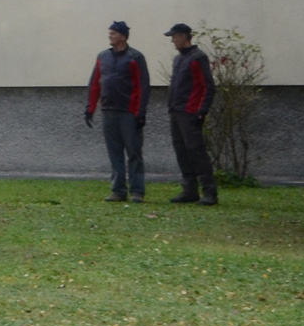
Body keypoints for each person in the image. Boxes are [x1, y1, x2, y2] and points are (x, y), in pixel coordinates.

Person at [83, 19, 150, 201]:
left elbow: (142, 86)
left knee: (134, 152)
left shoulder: (135, 57)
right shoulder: (102, 56)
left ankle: (137, 191)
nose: (109, 36)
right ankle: (118, 190)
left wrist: (140, 112)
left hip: (129, 112)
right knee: (115, 153)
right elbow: (95, 83)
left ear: (123, 37)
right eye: (110, 33)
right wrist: (90, 108)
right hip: (108, 111)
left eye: (113, 33)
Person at [164, 23, 218, 205]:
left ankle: (209, 192)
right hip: (176, 111)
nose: (172, 40)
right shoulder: (178, 59)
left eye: (174, 37)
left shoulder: (198, 57)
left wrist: (202, 111)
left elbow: (208, 86)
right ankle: (190, 191)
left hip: (190, 112)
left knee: (197, 152)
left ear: (183, 36)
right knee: (181, 152)